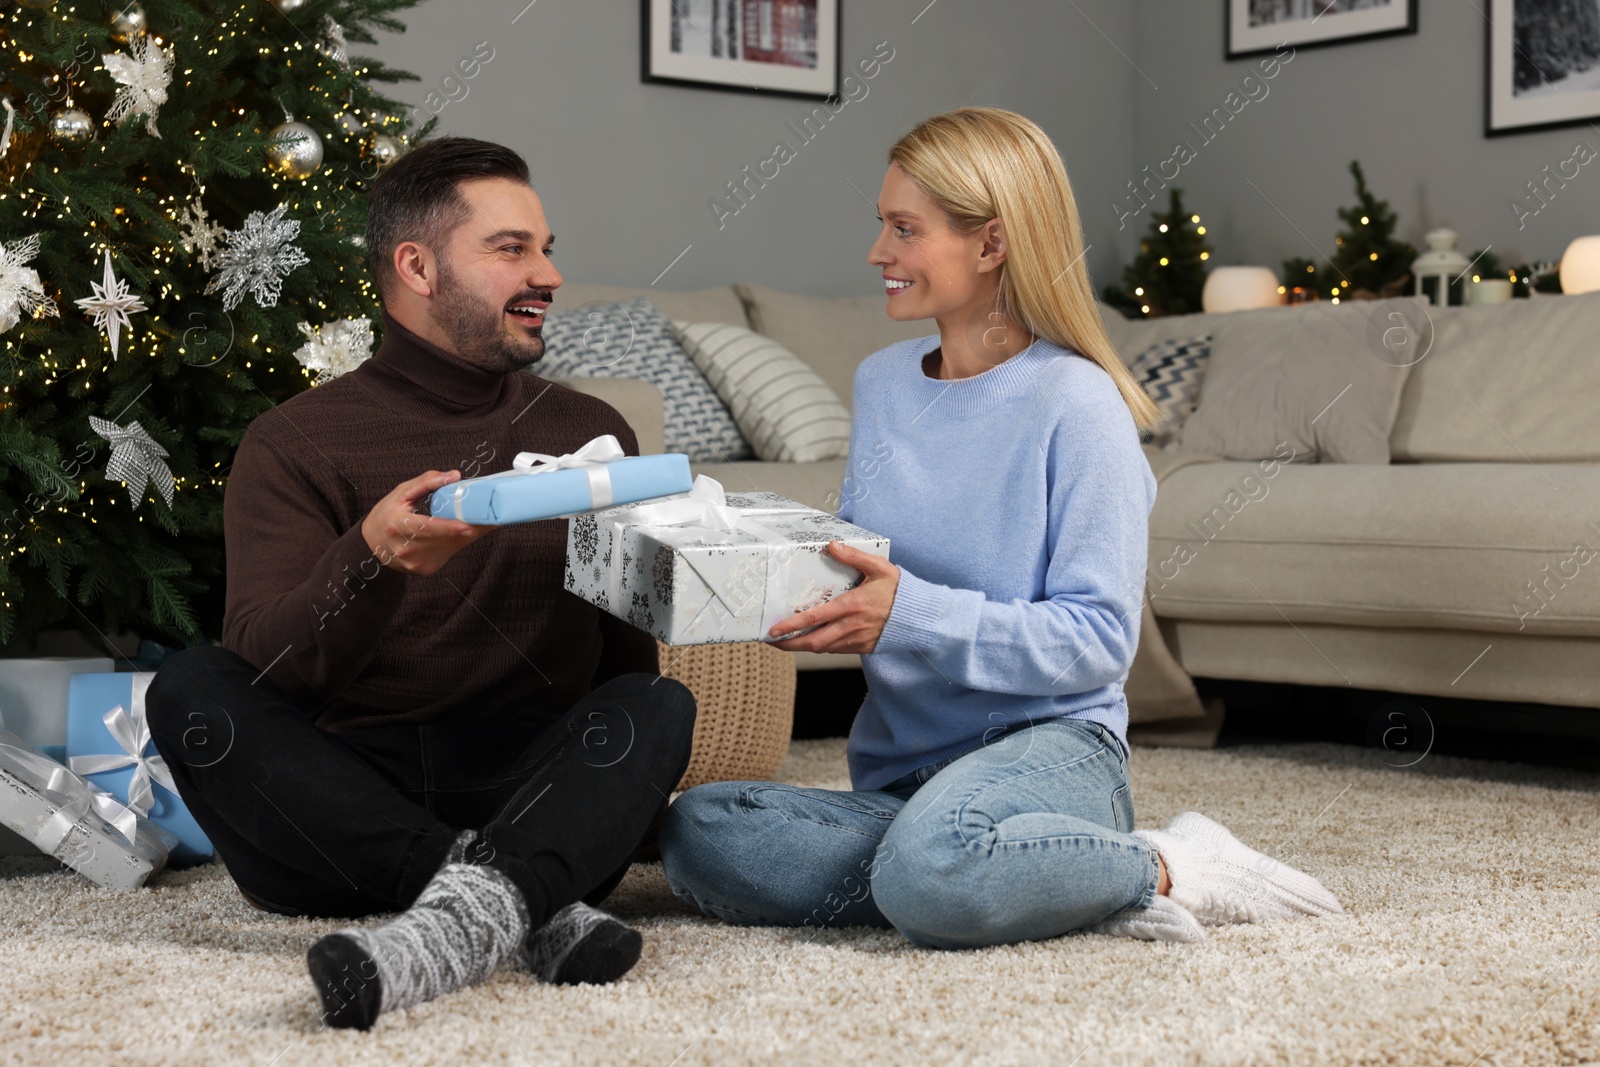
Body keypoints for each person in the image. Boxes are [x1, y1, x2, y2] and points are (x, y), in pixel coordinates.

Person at [658, 108, 1340, 948]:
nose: (879, 253)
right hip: (903, 779)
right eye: (883, 225)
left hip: (1052, 751)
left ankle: (1161, 863)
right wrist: (761, 575)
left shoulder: (1078, 405)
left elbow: (1096, 643)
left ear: (991, 245)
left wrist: (906, 612)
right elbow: (867, 572)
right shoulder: (881, 384)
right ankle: (1011, 872)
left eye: (905, 229)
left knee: (930, 866)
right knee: (700, 831)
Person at [145, 136, 697, 1030]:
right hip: (338, 813)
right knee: (192, 686)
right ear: (417, 266)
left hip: (528, 792)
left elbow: (620, 661)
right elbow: (269, 670)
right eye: (512, 248)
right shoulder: (294, 442)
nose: (549, 273)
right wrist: (373, 559)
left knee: (656, 703)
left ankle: (458, 913)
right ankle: (523, 903)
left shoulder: (589, 431)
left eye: (547, 247)